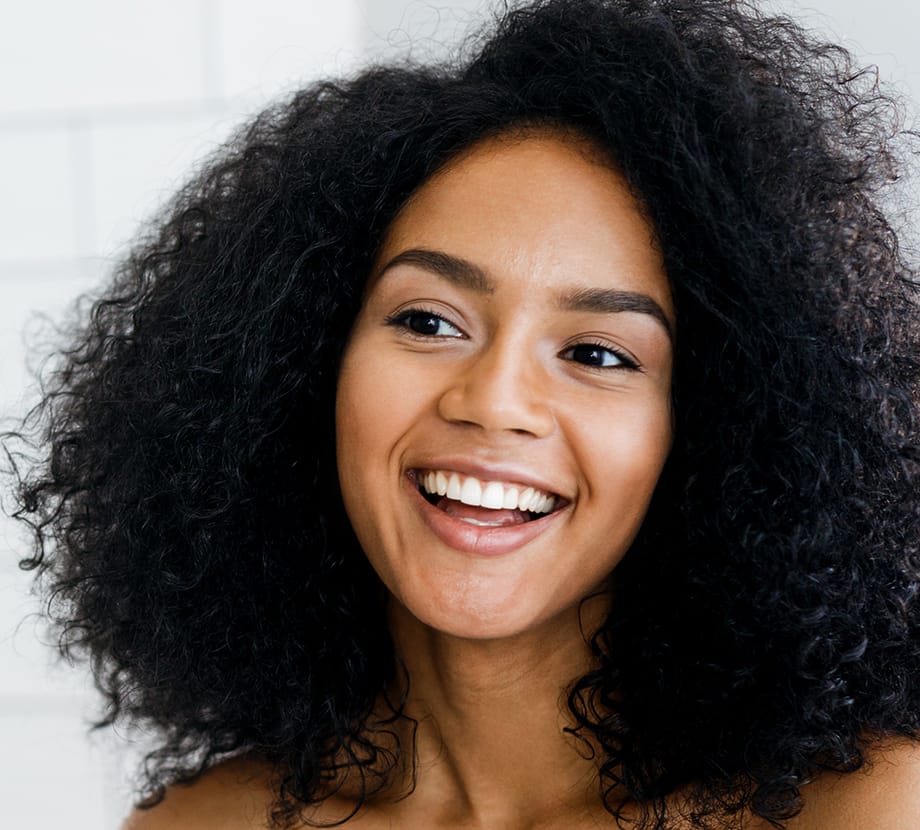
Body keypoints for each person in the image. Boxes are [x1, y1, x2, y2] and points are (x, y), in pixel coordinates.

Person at [5, 0, 920, 827]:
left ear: (715, 430)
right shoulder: (195, 829)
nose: (493, 401)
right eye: (428, 320)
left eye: (598, 353)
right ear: (303, 366)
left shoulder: (866, 813)